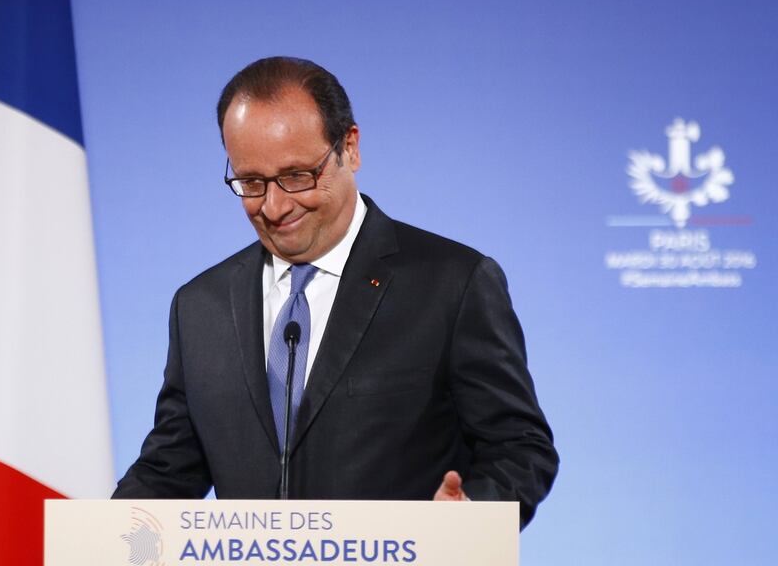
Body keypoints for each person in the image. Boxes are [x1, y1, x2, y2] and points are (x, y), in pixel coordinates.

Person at [113, 57, 558, 527]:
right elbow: (169, 469)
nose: (275, 206)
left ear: (350, 147)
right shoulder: (200, 306)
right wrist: (100, 538)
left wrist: (466, 519)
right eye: (251, 183)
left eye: (298, 176)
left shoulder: (452, 283)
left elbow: (519, 447)